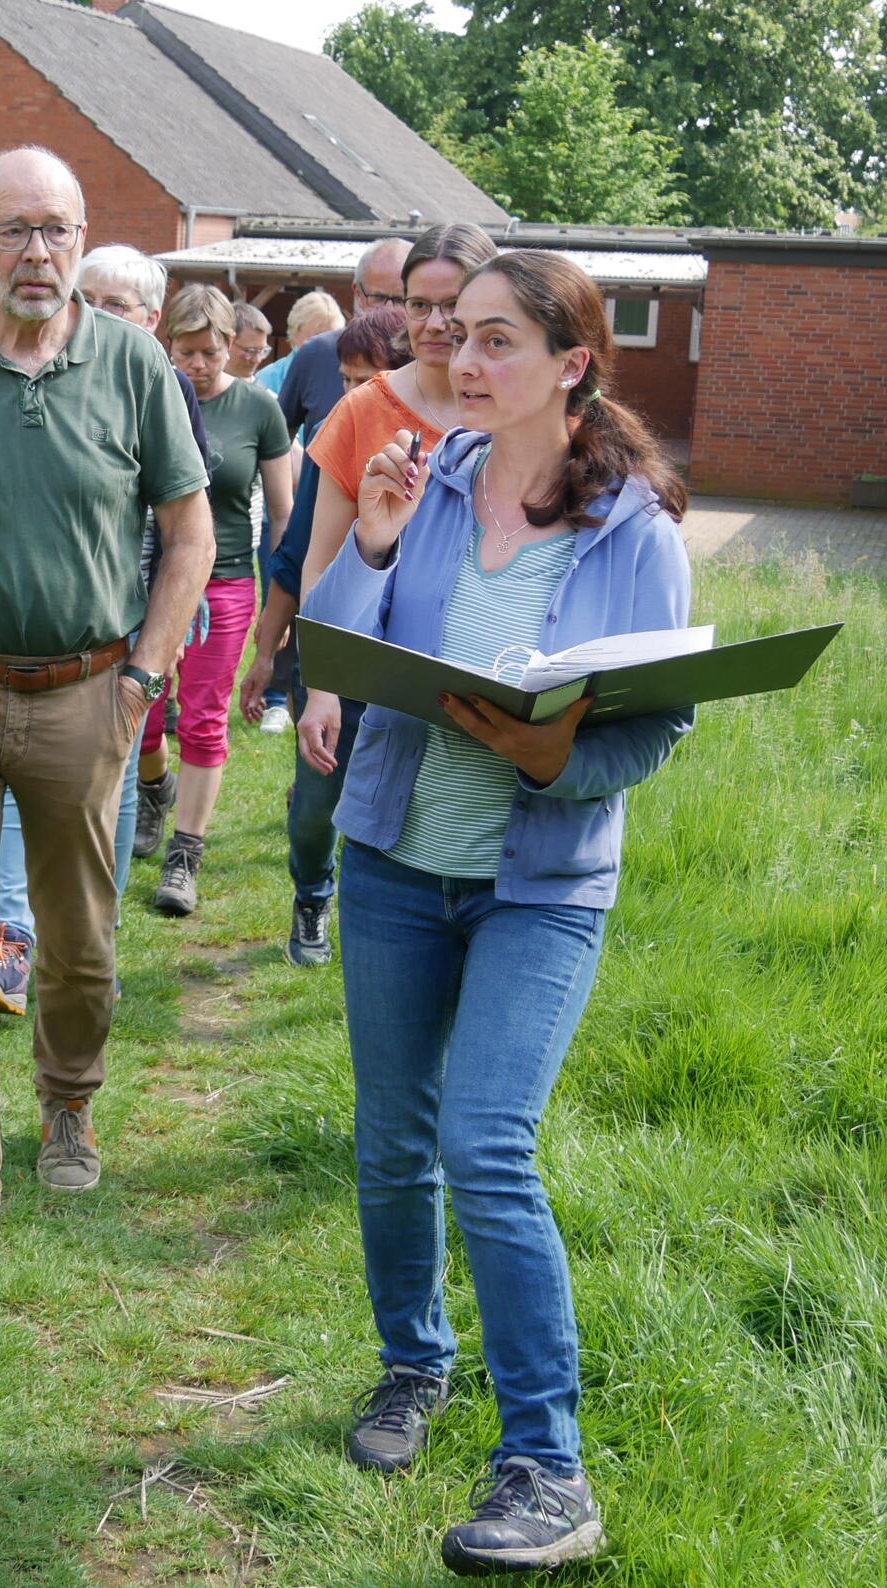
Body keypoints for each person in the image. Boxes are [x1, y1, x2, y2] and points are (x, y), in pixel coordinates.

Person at [301, 250, 693, 1575]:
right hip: (402, 860)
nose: (463, 365)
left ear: (571, 364)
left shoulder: (633, 525)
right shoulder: (432, 479)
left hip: (541, 881)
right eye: (453, 337)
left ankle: (547, 1464)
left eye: (496, 343)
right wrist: (375, 537)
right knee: (391, 1141)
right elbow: (338, 646)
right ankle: (413, 1366)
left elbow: (655, 729)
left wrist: (552, 760)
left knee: (487, 1146)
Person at [0, 147, 213, 1275]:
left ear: (84, 241)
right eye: (15, 230)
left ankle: (69, 1102)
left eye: (59, 230)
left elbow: (189, 538)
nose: (39, 253)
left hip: (89, 693)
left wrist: (141, 679)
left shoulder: (134, 363)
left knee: (79, 949)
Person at [0, 243, 211, 1019]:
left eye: (124, 306)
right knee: (16, 809)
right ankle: (11, 947)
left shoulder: (159, 383)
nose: (106, 316)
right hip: (22, 657)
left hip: (128, 632)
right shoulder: (44, 371)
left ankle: (94, 941)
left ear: (152, 317)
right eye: (97, 300)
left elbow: (187, 521)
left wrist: (156, 649)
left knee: (105, 798)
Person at [275, 224, 498, 968]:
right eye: (418, 305)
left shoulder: (509, 413)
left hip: (458, 659)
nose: (435, 325)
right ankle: (312, 890)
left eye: (453, 305)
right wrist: (325, 687)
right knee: (316, 808)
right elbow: (320, 561)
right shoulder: (363, 411)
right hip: (358, 654)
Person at [238, 306, 406, 965]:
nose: (356, 395)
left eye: (372, 378)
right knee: (315, 805)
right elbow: (293, 550)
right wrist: (265, 657)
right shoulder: (337, 439)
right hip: (330, 650)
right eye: (346, 379)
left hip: (407, 657)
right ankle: (311, 895)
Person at [136, 284, 293, 916]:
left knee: (202, 718)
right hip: (149, 578)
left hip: (226, 580)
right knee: (142, 712)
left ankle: (184, 855)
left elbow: (282, 513)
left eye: (210, 351)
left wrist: (280, 601)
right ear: (166, 343)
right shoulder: (152, 395)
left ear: (232, 345)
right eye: (185, 351)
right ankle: (154, 789)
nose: (198, 365)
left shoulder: (259, 409)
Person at [275, 237, 409, 446]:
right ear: (357, 292)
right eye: (378, 297)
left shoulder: (426, 363)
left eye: (402, 300)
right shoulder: (316, 355)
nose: (389, 308)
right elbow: (278, 440)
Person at [229, 301, 294, 732]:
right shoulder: (183, 392)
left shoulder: (265, 401)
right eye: (247, 350)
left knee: (269, 607)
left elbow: (280, 493)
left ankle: (273, 695)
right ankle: (165, 701)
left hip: (252, 527)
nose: (255, 359)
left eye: (260, 351)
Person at [256, 288, 345, 396]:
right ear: (294, 333)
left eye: (331, 339)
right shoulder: (266, 379)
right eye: (316, 339)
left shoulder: (347, 379)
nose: (323, 346)